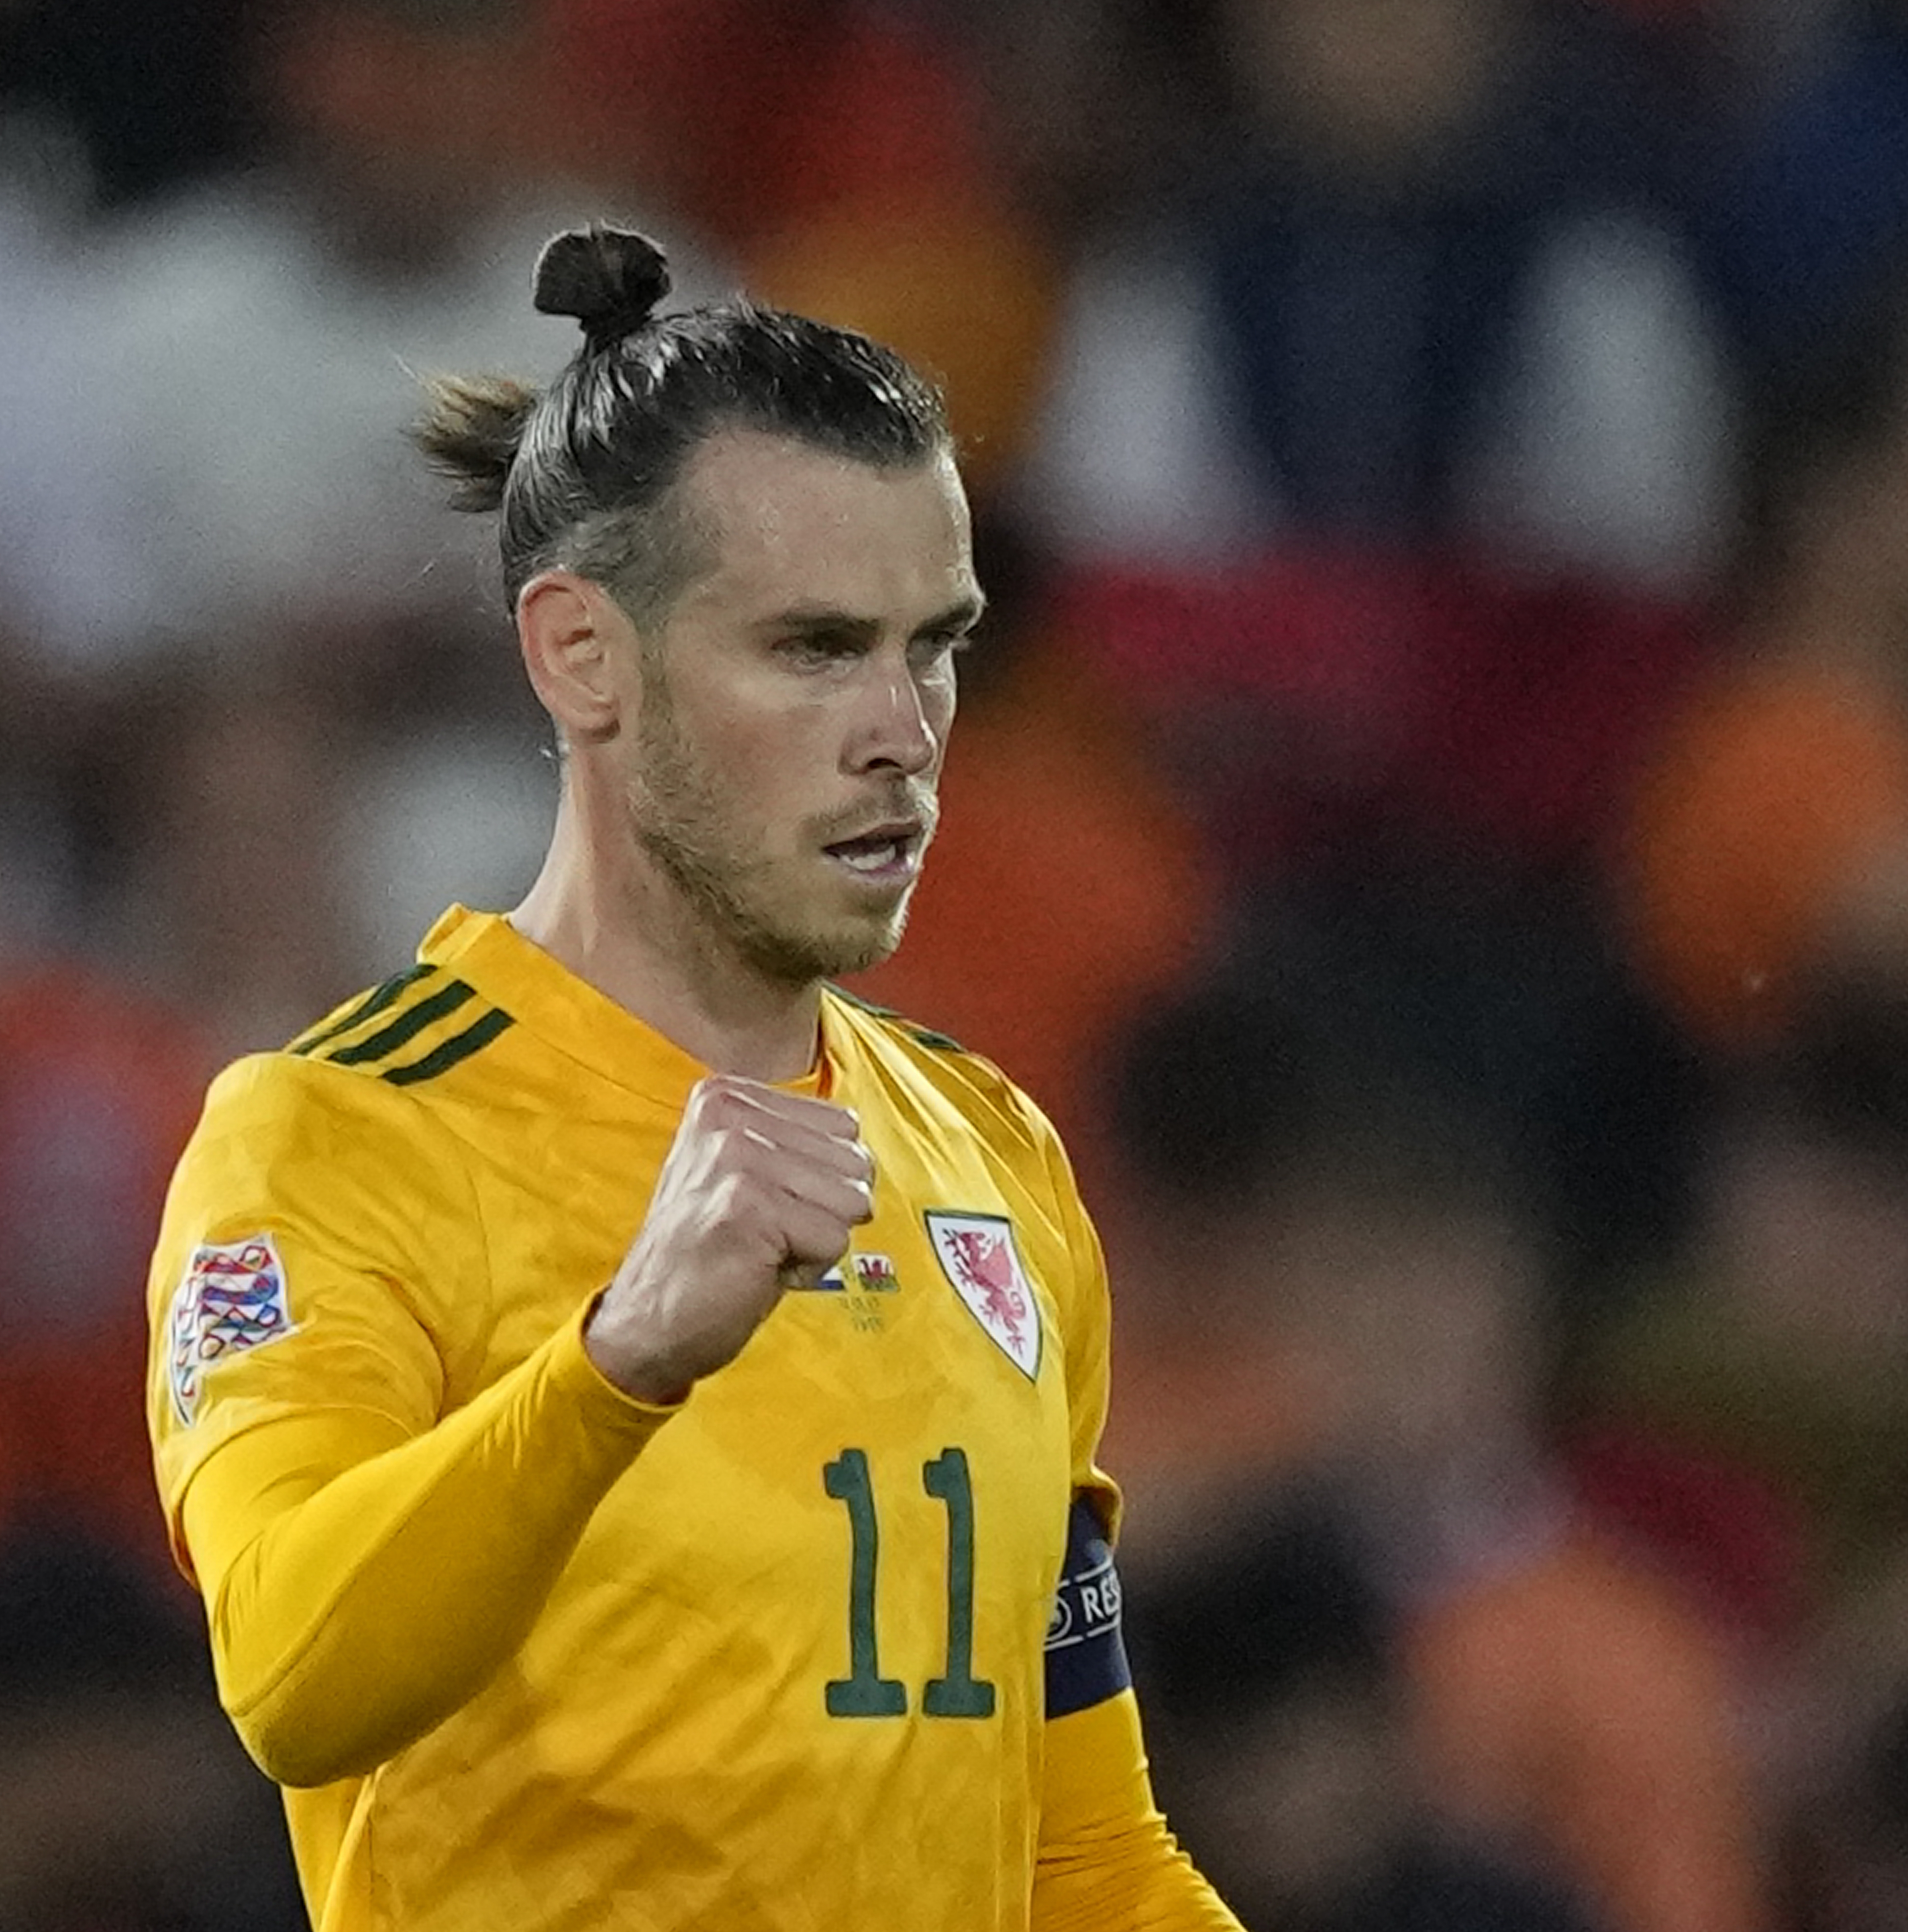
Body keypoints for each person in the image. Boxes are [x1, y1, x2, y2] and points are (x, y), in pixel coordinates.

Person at [144, 224, 1239, 1929]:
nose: (902, 727)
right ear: (583, 653)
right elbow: (291, 1673)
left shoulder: (991, 1157)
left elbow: (1084, 1856)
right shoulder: (338, 1136)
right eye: (813, 648)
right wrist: (616, 1364)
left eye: (933, 645)